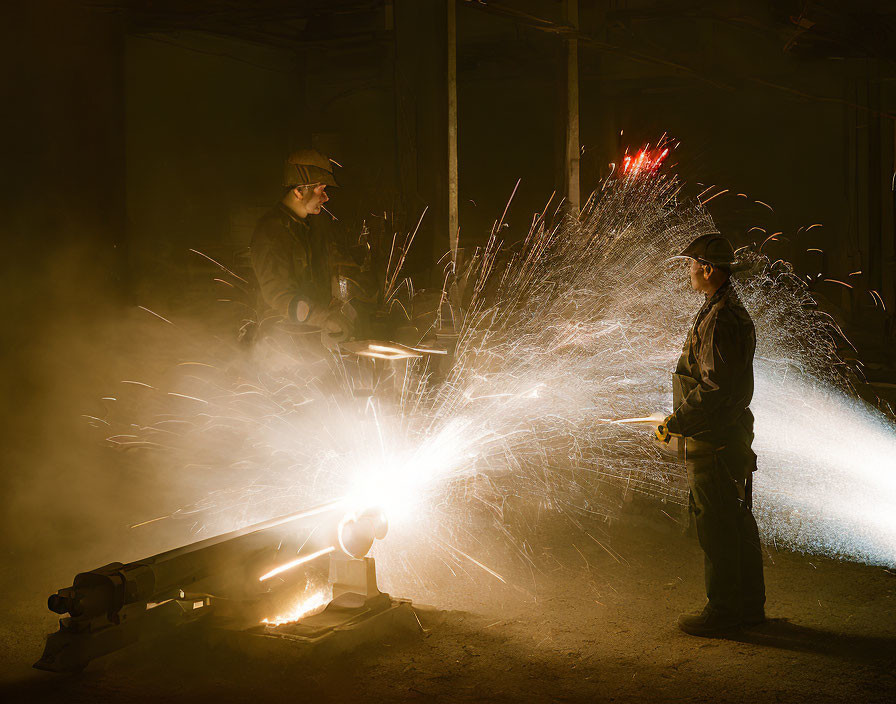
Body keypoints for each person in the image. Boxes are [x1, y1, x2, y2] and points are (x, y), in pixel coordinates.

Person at [655, 233, 766, 636]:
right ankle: (749, 608)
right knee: (736, 520)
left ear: (707, 268)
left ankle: (723, 612)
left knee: (717, 525)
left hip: (713, 438)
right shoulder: (725, 309)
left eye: (691, 264)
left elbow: (714, 387)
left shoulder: (720, 317)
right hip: (728, 434)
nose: (688, 271)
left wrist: (676, 422)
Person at [249, 149, 354, 350]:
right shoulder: (272, 232)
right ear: (298, 191)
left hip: (307, 340)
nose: (326, 198)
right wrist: (324, 318)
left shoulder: (308, 227)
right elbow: (280, 296)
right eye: (320, 189)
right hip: (279, 346)